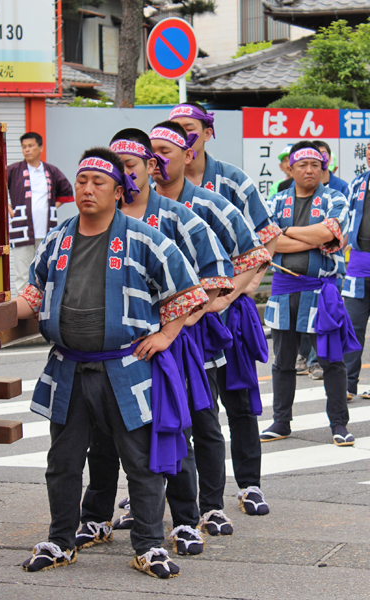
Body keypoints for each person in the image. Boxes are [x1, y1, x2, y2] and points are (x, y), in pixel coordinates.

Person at [16, 147, 210, 579]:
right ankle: (61, 540)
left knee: (140, 463)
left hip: (126, 368)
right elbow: (32, 292)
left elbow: (191, 293)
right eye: (82, 181)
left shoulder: (143, 238)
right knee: (62, 462)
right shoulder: (58, 237)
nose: (87, 189)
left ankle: (148, 546)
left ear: (119, 191)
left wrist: (165, 335)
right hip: (68, 367)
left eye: (98, 182)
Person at [76, 128, 236, 557]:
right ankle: (96, 517)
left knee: (174, 429)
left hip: (166, 348)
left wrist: (176, 326)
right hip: (110, 352)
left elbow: (217, 275)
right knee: (103, 437)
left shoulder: (180, 216)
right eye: (118, 167)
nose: (124, 174)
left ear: (150, 166)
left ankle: (187, 519)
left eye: (132, 165)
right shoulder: (100, 219)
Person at [149, 119, 273, 526]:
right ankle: (147, 502)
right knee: (156, 419)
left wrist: (227, 297)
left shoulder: (218, 197)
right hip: (155, 332)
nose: (155, 161)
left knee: (213, 413)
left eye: (166, 150)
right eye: (151, 153)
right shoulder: (136, 206)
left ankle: (217, 502)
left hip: (208, 325)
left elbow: (257, 249)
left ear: (193, 148)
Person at [261, 141, 360, 447]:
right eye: (302, 164)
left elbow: (330, 232)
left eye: (315, 164)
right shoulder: (275, 201)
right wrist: (310, 236)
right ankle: (280, 421)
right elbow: (266, 243)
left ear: (323, 168)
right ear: (290, 168)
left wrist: (285, 232)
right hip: (284, 290)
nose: (309, 170)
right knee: (283, 361)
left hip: (321, 291)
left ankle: (339, 424)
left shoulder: (335, 198)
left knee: (331, 359)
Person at [8, 132, 74, 296]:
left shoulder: (51, 171)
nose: (27, 150)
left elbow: (67, 191)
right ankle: (23, 309)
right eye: (24, 147)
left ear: (40, 148)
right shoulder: (13, 170)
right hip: (21, 229)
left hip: (46, 231)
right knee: (22, 272)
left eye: (30, 146)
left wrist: (52, 207)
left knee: (45, 268)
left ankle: (43, 303)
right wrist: (10, 211)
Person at [342, 139, 370, 400]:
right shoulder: (358, 184)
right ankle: (348, 384)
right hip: (359, 264)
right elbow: (345, 220)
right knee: (353, 326)